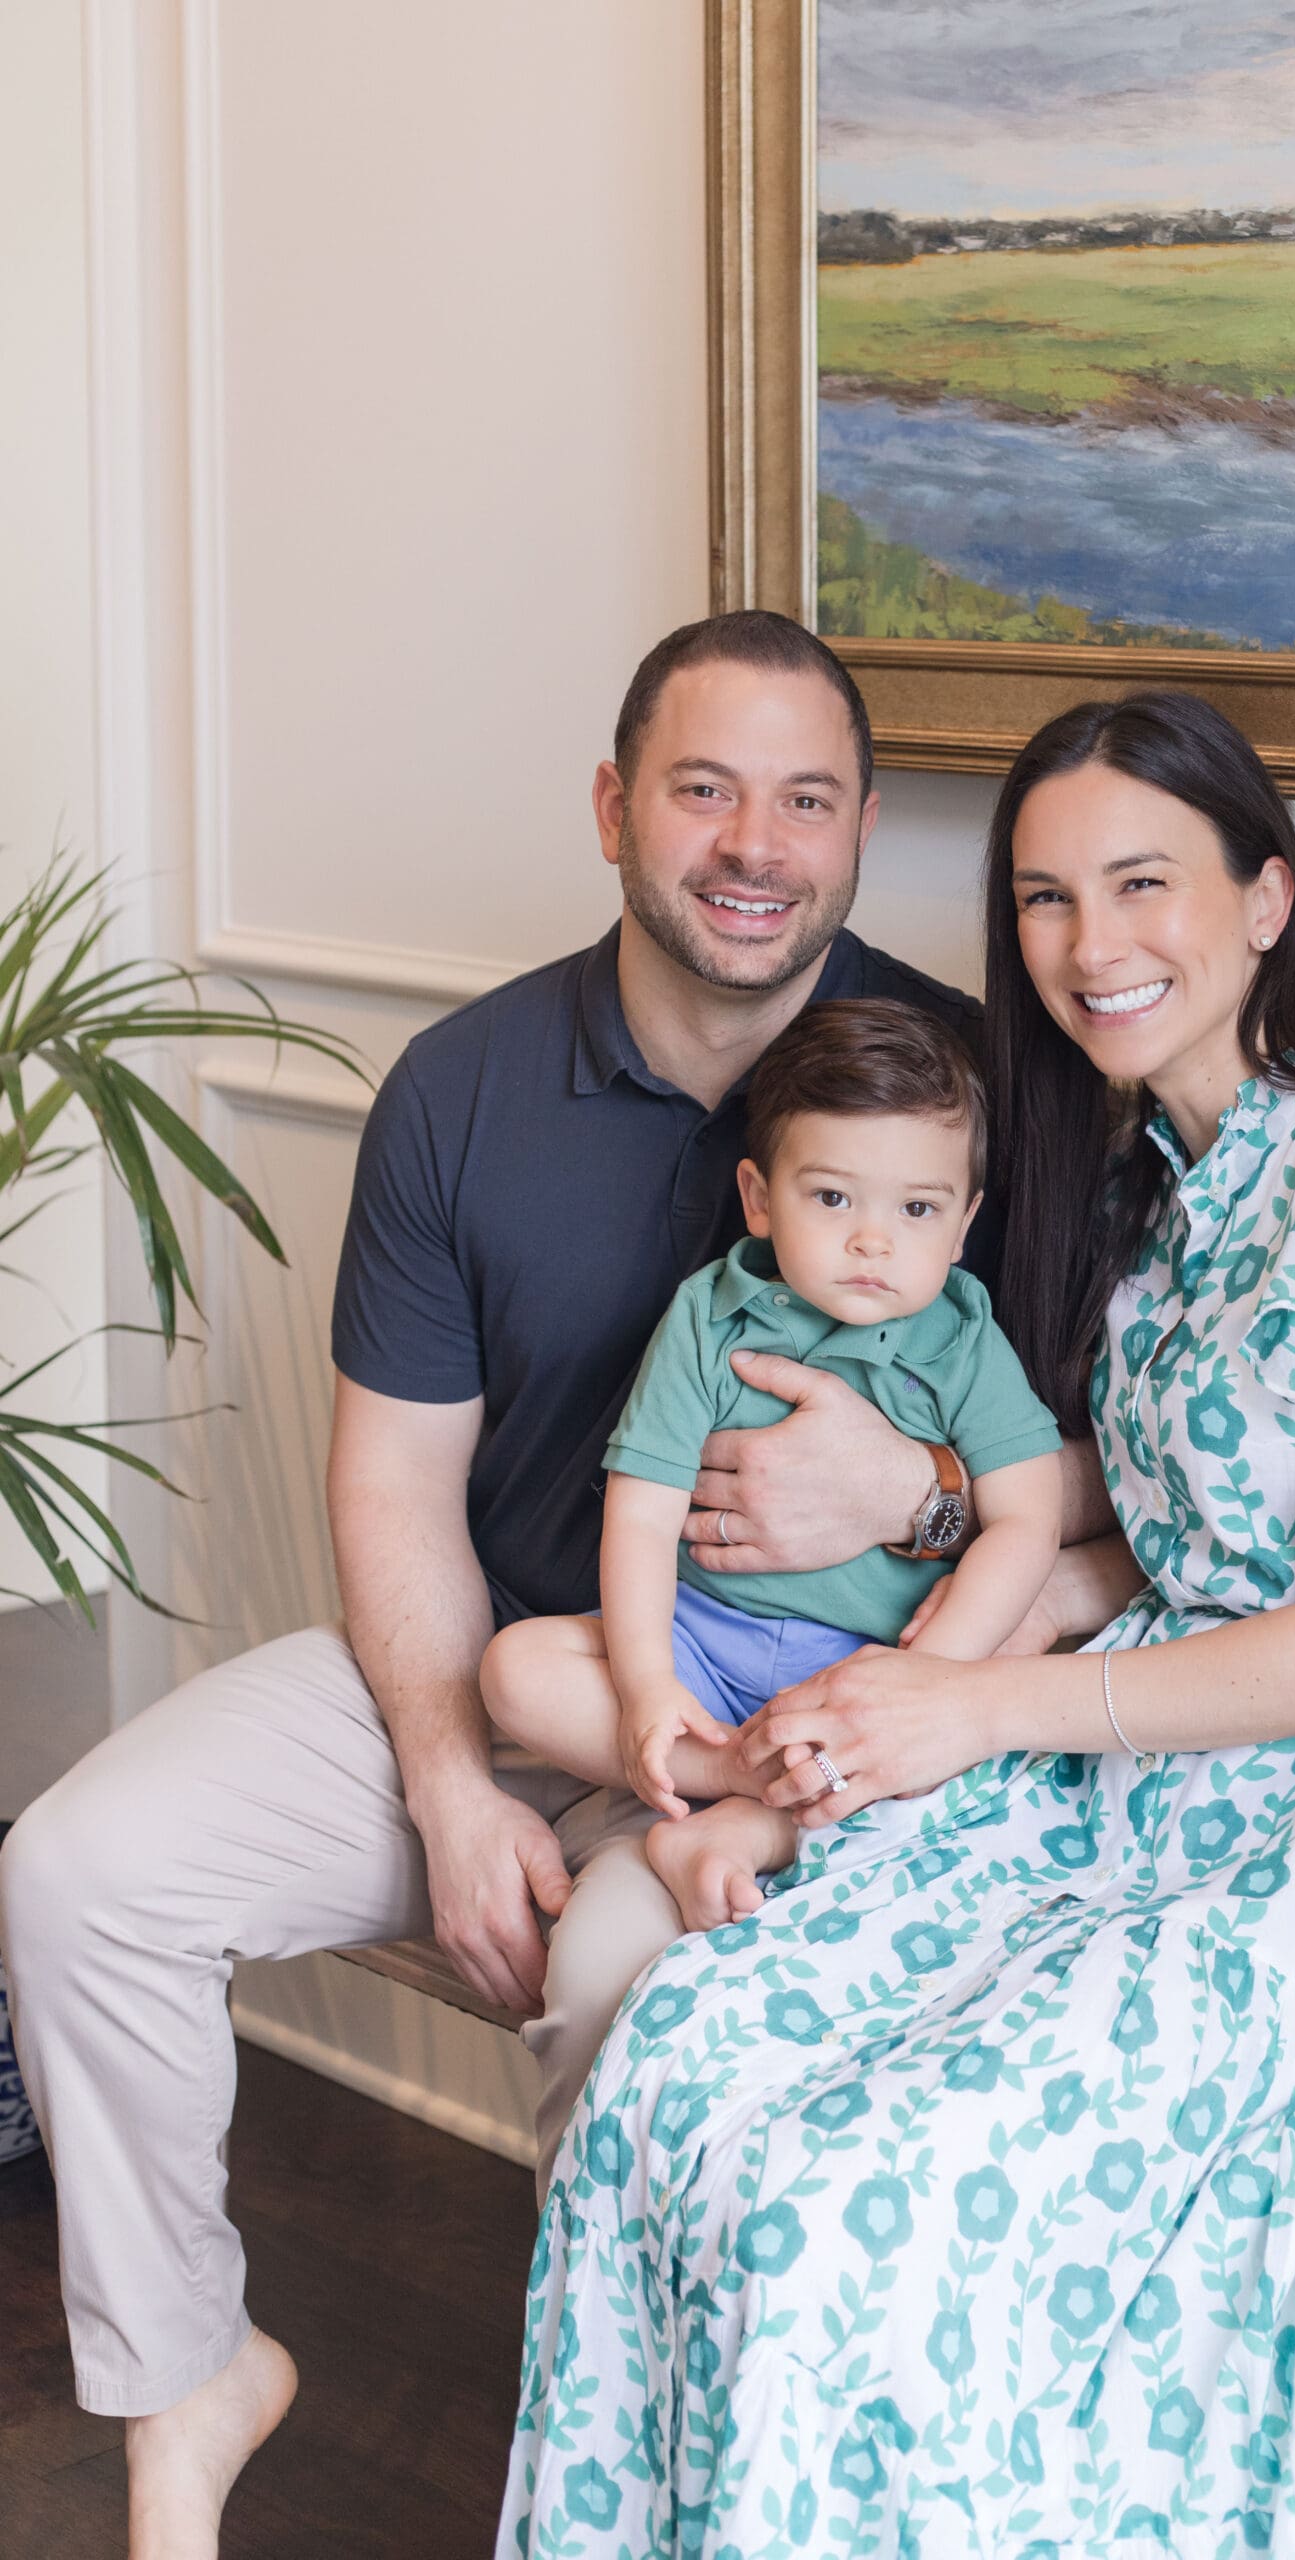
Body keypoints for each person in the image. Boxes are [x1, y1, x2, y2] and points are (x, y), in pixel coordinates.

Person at [0, 612, 1113, 2560]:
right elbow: (393, 1481)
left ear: (858, 834)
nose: (752, 840)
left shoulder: (962, 1097)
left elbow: (1116, 1493)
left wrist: (917, 1491)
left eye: (805, 797)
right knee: (80, 1869)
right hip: (515, 1670)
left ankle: (637, 2493)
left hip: (811, 1724)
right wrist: (441, 1777)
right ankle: (189, 2374)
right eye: (703, 786)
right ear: (613, 807)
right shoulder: (464, 1083)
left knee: (638, 1999)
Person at [498, 689, 1295, 2559]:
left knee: (853, 2193)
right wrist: (948, 1655)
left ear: (1265, 899)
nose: (1087, 948)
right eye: (1041, 899)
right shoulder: (1145, 1182)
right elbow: (1135, 1539)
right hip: (1126, 1749)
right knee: (693, 2066)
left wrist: (988, 1709)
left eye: (1139, 885)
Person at [481, 998, 1062, 1930]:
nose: (873, 1241)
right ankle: (720, 1769)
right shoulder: (710, 1317)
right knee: (516, 1670)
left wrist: (931, 1675)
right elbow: (640, 1512)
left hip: (867, 1661)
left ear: (962, 1225)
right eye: (832, 1198)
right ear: (759, 1197)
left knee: (970, 1745)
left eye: (917, 1209)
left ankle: (746, 1827)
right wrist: (647, 1689)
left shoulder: (960, 1336)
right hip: (704, 1641)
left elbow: (1027, 1516)